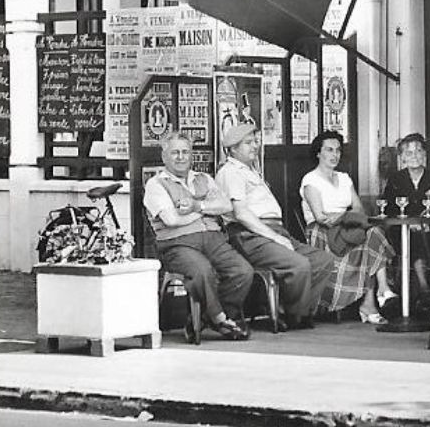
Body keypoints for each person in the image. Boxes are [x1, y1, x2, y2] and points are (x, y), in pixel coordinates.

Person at [215, 121, 335, 329]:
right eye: (248, 143)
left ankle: (292, 309)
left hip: (273, 232)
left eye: (255, 141)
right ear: (233, 149)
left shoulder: (250, 170)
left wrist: (278, 235)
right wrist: (275, 237)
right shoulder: (231, 172)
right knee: (299, 265)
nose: (255, 146)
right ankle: (293, 316)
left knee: (323, 260)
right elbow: (242, 214)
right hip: (251, 235)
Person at [142, 132, 252, 340]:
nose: (181, 157)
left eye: (185, 152)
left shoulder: (204, 179)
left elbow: (226, 206)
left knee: (243, 271)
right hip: (177, 244)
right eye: (175, 152)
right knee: (202, 271)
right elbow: (172, 220)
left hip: (213, 239)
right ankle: (220, 319)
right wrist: (204, 209)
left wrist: (195, 206)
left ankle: (205, 317)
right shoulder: (156, 185)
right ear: (164, 156)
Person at [300, 130, 398, 324]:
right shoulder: (310, 180)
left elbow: (359, 209)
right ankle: (378, 296)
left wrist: (343, 216)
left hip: (347, 229)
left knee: (374, 234)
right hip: (323, 235)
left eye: (337, 150)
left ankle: (380, 293)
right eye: (329, 150)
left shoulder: (344, 178)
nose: (334, 155)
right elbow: (321, 217)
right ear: (318, 153)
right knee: (371, 241)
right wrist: (344, 215)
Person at [380, 132, 430, 303]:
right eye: (408, 153)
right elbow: (389, 209)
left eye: (418, 151)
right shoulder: (395, 179)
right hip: (402, 230)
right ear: (401, 158)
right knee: (413, 239)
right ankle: (425, 288)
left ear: (425, 154)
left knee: (428, 238)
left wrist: (426, 223)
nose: (414, 156)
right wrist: (410, 224)